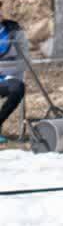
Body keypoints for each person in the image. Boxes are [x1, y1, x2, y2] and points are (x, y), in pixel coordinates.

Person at [0, 14, 29, 144]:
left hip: (8, 77)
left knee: (18, 88)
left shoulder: (15, 32)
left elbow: (25, 60)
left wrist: (6, 68)